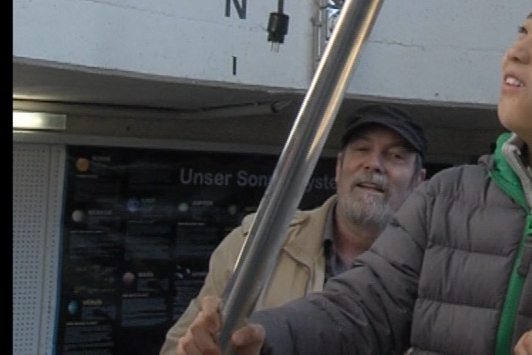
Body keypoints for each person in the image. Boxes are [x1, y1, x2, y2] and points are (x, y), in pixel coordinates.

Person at [175, 0, 532, 355]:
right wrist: (267, 337)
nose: (516, 52)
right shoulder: (446, 198)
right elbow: (361, 308)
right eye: (523, 30)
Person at [161, 103, 427, 355]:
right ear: (338, 168)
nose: (374, 164)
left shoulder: (432, 270)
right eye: (362, 149)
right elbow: (179, 345)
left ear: (418, 182)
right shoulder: (254, 244)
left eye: (396, 156)